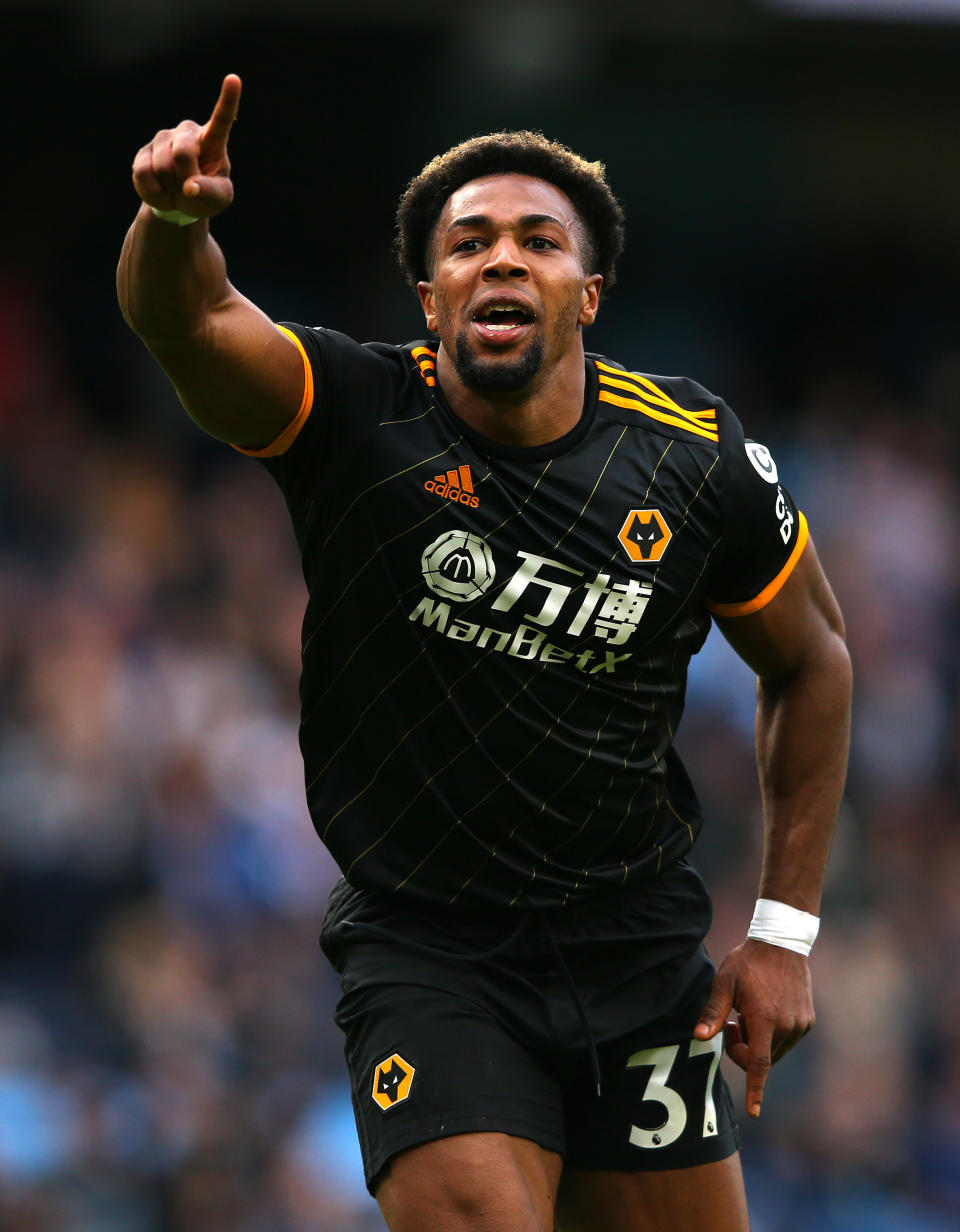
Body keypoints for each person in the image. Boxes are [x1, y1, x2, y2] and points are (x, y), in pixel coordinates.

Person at [118, 74, 852, 1232]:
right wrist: (172, 223)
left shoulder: (692, 457)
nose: (501, 259)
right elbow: (190, 320)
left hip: (638, 952)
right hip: (430, 952)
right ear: (431, 293)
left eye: (536, 240)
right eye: (469, 243)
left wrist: (781, 931)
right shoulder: (356, 414)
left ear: (588, 293)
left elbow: (813, 660)